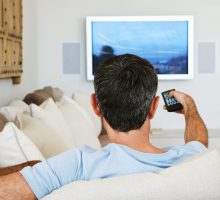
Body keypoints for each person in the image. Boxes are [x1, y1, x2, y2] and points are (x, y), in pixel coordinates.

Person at [0, 54, 208, 200]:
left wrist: (31, 167)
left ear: (95, 106)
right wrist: (189, 108)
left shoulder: (76, 164)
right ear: (153, 108)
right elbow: (199, 142)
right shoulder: (192, 160)